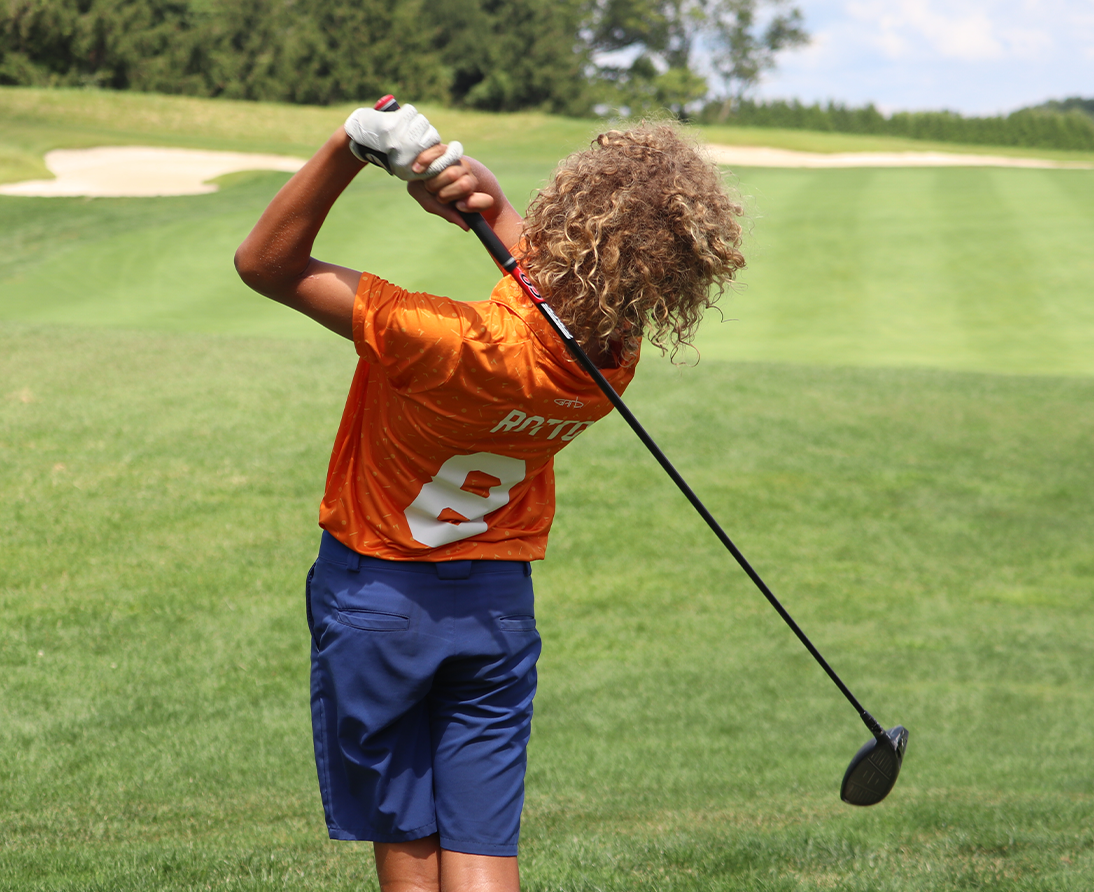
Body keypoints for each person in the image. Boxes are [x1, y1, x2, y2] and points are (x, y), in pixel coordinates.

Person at [234, 103, 745, 892]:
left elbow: (266, 264)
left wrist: (349, 145)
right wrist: (488, 203)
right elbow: (549, 283)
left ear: (569, 217)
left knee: (408, 838)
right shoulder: (614, 357)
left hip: (380, 600)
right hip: (497, 610)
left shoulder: (447, 341)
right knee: (482, 845)